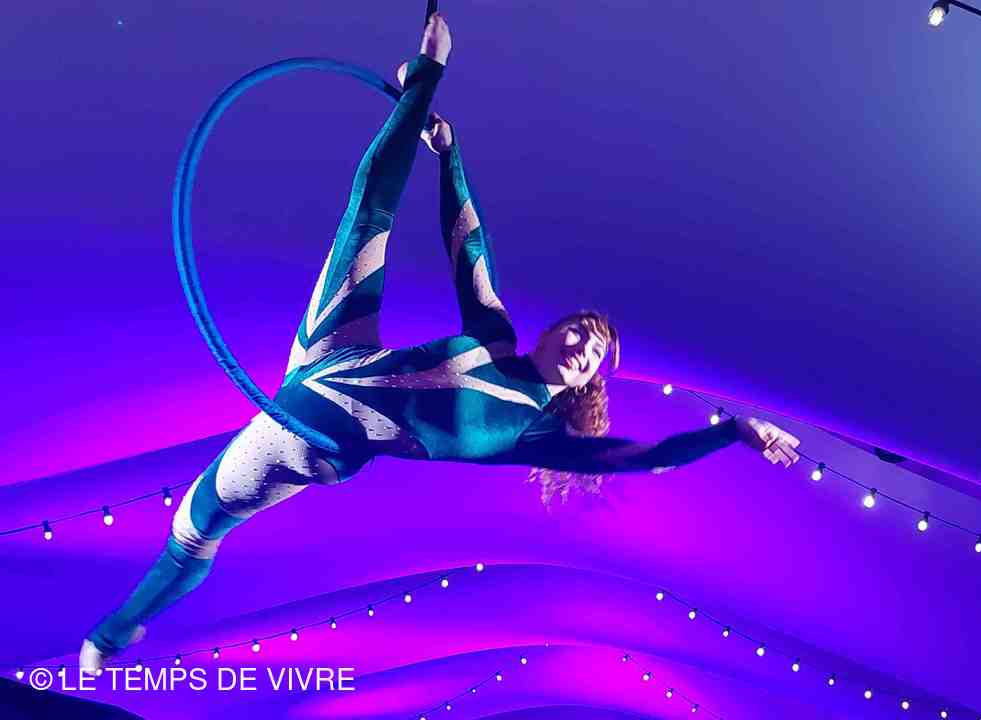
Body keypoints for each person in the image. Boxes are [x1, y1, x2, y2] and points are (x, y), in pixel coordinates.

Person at [80, 7, 800, 675]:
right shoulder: (494, 334)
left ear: (586, 382)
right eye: (580, 329)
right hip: (333, 351)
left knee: (194, 527)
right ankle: (425, 75)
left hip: (313, 437)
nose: (583, 344)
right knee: (367, 212)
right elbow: (467, 243)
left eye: (594, 353)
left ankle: (114, 632)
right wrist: (448, 155)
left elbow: (648, 458)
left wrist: (733, 431)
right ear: (553, 330)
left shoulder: (532, 436)